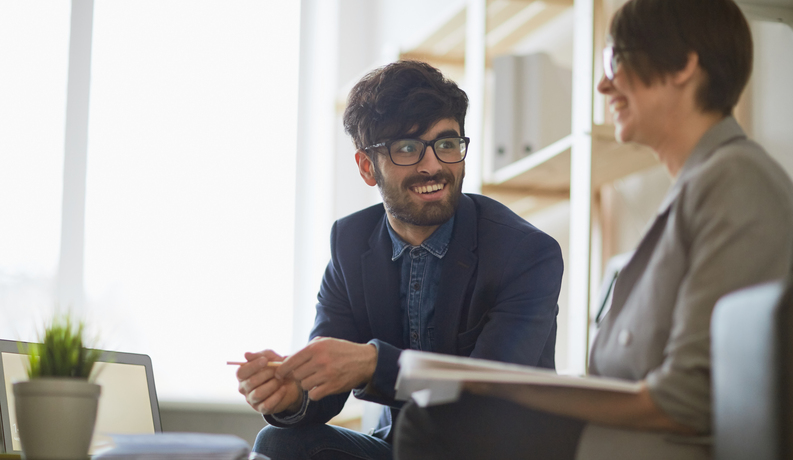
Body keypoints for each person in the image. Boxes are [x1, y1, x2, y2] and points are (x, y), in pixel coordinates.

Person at [394, 0, 793, 459]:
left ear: (685, 65)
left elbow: (685, 400)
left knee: (438, 425)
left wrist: (503, 387)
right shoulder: (700, 186)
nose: (605, 83)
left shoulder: (735, 180)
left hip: (666, 446)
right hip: (636, 438)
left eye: (617, 60)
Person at [235, 60, 565, 460]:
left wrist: (375, 365)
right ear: (366, 167)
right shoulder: (350, 244)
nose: (433, 165)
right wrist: (293, 397)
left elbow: (489, 394)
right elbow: (326, 388)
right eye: (407, 148)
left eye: (446, 144)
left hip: (496, 450)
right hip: (400, 450)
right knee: (278, 444)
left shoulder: (526, 253)